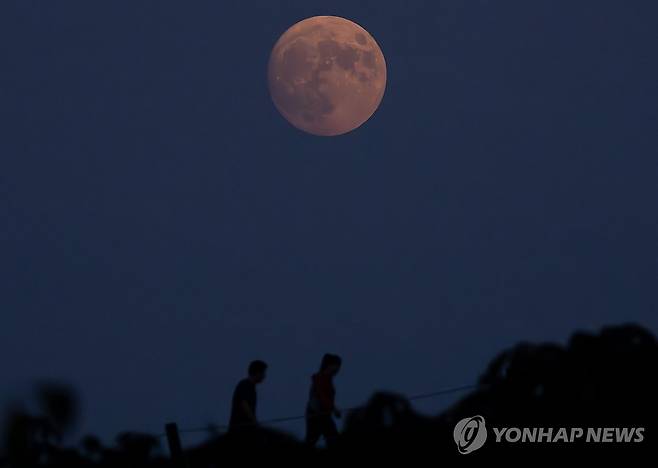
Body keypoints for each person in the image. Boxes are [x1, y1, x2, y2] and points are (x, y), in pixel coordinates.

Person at [305, 353, 342, 447]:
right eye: (336, 365)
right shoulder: (320, 378)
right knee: (314, 439)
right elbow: (321, 396)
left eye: (339, 366)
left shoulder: (327, 379)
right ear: (328, 365)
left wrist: (332, 409)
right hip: (317, 413)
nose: (338, 369)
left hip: (323, 414)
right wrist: (333, 408)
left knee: (329, 438)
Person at [229, 360, 268, 432]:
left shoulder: (251, 387)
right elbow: (244, 404)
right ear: (257, 372)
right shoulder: (245, 384)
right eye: (263, 373)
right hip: (239, 430)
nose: (264, 376)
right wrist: (254, 421)